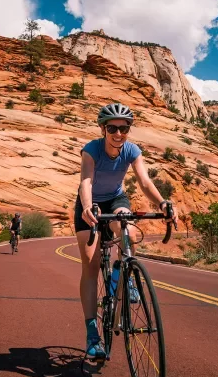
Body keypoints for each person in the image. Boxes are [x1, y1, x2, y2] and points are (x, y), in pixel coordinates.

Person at [74, 102, 179, 359]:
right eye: (113, 128)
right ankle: (92, 334)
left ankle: (121, 278)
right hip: (90, 204)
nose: (119, 133)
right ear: (103, 129)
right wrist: (88, 207)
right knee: (91, 264)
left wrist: (163, 203)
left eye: (124, 128)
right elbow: (86, 181)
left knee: (129, 233)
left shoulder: (131, 150)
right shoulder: (92, 150)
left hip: (116, 199)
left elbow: (144, 181)